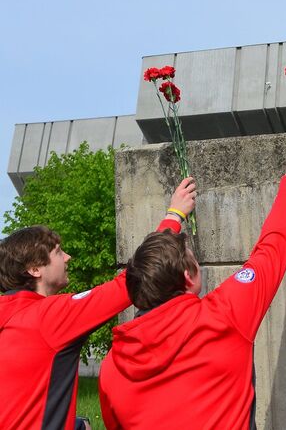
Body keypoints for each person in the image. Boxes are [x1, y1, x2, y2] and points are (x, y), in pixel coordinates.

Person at [98, 150, 286, 430]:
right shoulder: (223, 317)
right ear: (188, 276)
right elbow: (272, 248)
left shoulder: (111, 367)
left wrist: (173, 216)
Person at [0, 176, 197, 430]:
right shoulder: (48, 318)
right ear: (35, 269)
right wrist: (174, 215)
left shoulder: (9, 317)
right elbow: (131, 282)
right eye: (59, 252)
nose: (68, 257)